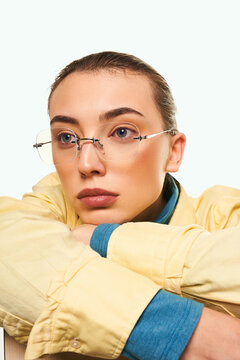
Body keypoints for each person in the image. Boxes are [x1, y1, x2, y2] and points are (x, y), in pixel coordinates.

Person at [0, 51, 240, 360]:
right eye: (67, 137)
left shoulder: (223, 214)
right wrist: (195, 334)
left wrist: (105, 242)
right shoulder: (42, 213)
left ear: (173, 152)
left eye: (122, 132)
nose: (86, 164)